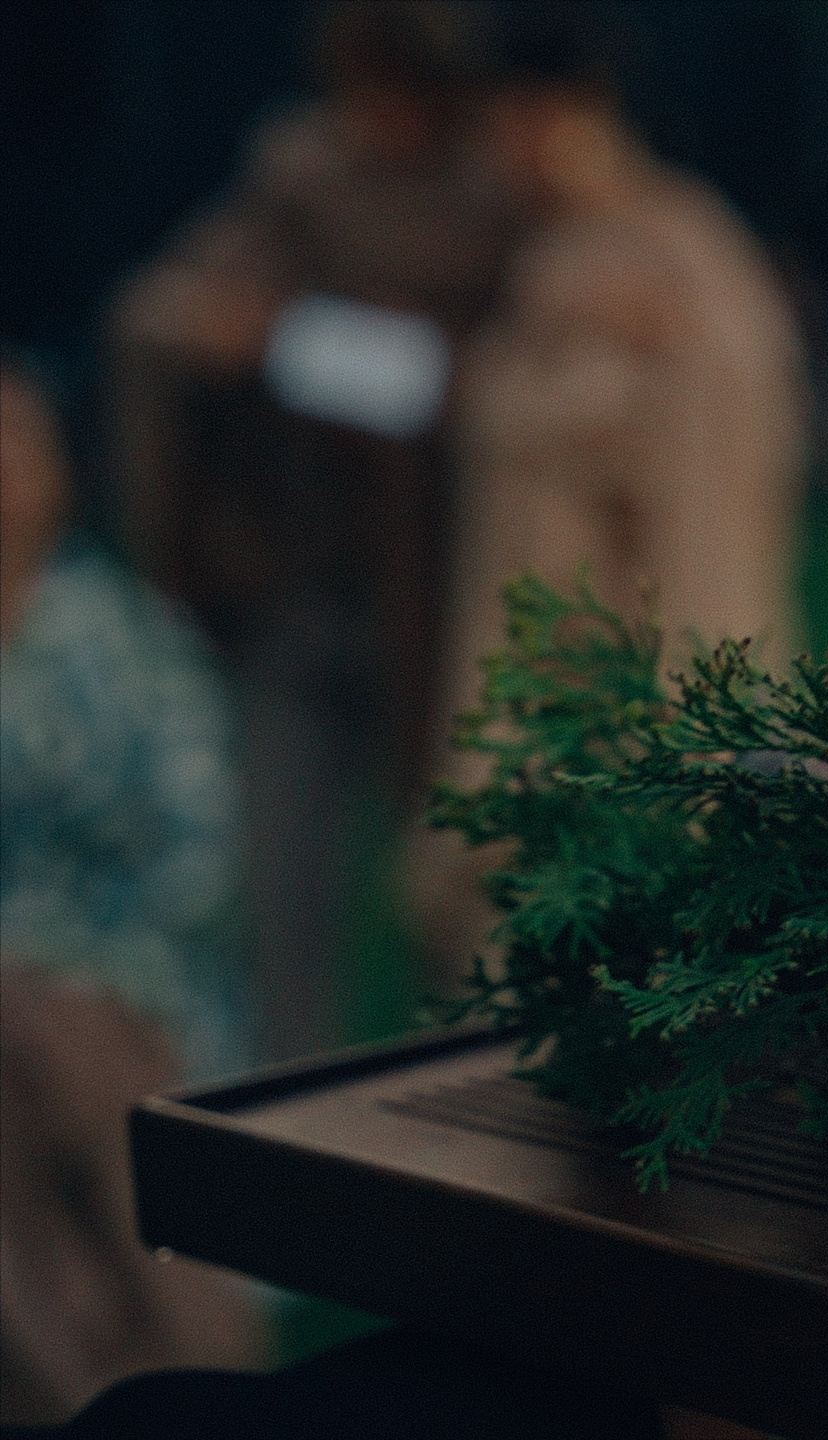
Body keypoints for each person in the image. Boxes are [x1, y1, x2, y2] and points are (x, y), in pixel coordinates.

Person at [106, 0, 517, 1062]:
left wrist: (300, 342)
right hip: (293, 587)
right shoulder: (297, 180)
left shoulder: (494, 198)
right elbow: (171, 309)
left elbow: (462, 387)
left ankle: (472, 1110)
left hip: (440, 601)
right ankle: (288, 1121)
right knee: (283, 898)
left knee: (462, 891)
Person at [406, 9, 808, 979]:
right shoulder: (573, 255)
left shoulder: (660, 272)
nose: (484, 158)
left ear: (551, 115)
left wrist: (659, 745)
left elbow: (696, 539)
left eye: (495, 125)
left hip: (610, 727)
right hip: (568, 709)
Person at [0, 358, 265, 1423]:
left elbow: (195, 858)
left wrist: (50, 972)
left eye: (15, 446)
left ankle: (176, 1376)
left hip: (116, 983)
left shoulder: (118, 637)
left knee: (49, 1055)